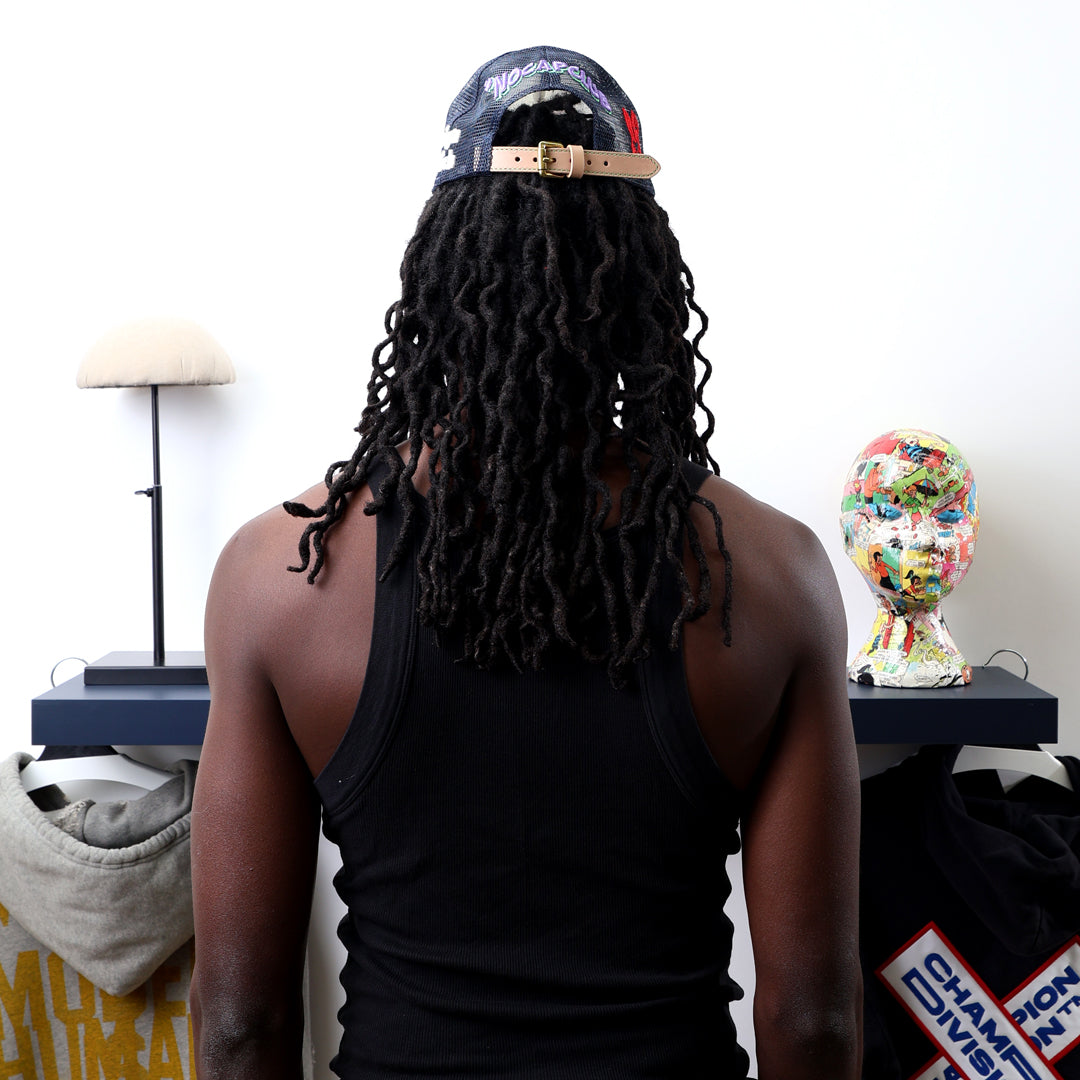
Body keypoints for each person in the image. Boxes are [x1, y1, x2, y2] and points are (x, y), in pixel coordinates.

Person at [190, 45, 862, 1080]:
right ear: (640, 276)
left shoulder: (275, 579)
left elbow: (240, 1019)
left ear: (441, 270)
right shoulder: (776, 577)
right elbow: (812, 1017)